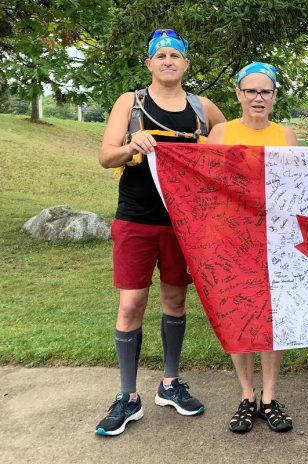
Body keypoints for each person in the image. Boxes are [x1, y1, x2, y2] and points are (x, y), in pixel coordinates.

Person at [95, 28, 225, 436]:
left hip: (182, 222)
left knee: (175, 301)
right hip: (135, 218)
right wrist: (132, 145)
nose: (168, 60)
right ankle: (127, 397)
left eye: (176, 55)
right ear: (149, 63)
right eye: (161, 55)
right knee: (131, 305)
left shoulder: (202, 108)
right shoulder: (130, 103)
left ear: (186, 64)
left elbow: (229, 141)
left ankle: (170, 384)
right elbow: (105, 156)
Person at [206, 62, 298, 434]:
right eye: (251, 91)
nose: (258, 98)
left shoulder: (286, 134)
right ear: (239, 94)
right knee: (238, 316)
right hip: (230, 241)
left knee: (272, 318)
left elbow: (297, 188)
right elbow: (206, 188)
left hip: (274, 241)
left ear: (274, 97)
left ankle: (270, 397)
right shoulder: (221, 132)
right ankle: (246, 396)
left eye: (266, 92)